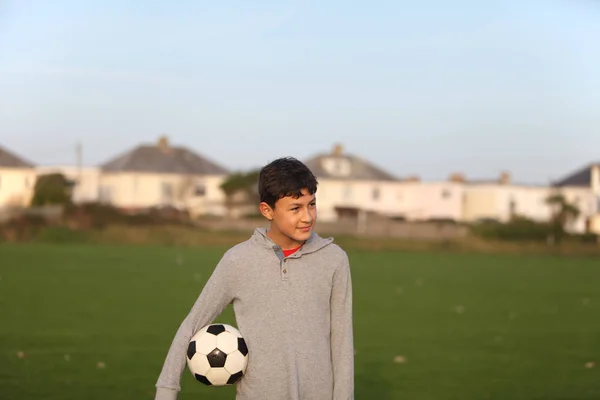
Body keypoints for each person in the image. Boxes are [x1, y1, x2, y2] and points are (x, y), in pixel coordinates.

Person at [154, 156, 354, 400]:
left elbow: (342, 342)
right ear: (267, 210)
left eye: (311, 204)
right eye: (295, 208)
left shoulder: (334, 260)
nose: (307, 217)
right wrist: (166, 389)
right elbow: (192, 324)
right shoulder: (238, 260)